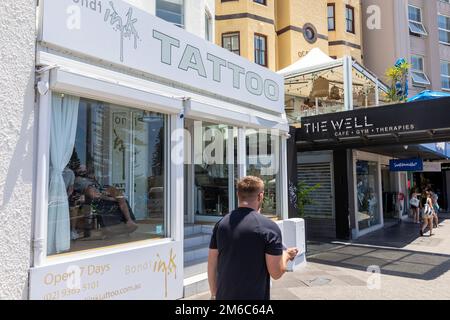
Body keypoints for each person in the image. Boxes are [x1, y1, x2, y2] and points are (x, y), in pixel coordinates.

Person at [207, 176, 298, 300]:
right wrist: (286, 255)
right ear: (260, 196)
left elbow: (212, 263)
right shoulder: (269, 227)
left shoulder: (221, 224)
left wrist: (214, 293)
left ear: (238, 194)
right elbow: (276, 273)